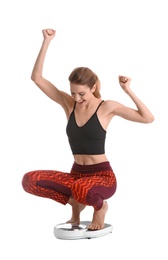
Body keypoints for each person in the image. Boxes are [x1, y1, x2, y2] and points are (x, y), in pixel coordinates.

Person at [22, 28, 154, 231]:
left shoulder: (106, 107)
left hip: (102, 177)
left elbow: (148, 118)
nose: (77, 98)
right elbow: (37, 78)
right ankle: (76, 203)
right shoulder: (69, 104)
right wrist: (46, 41)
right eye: (73, 93)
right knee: (30, 180)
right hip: (77, 175)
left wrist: (128, 90)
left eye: (81, 93)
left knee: (80, 188)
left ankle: (100, 207)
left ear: (93, 88)